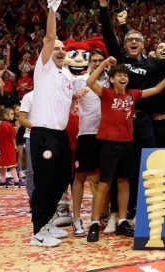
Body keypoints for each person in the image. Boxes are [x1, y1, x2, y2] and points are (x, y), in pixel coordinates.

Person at [84, 56, 165, 243]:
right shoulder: (106, 93)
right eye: (118, 75)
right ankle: (94, 223)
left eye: (125, 75)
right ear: (112, 79)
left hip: (127, 143)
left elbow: (157, 89)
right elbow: (90, 82)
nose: (123, 77)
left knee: (124, 182)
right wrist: (104, 64)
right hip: (109, 144)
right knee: (104, 184)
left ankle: (122, 221)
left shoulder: (132, 94)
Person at [29, 0, 76, 248]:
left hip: (60, 135)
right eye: (56, 47)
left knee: (62, 179)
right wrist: (52, 7)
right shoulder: (44, 68)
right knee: (44, 183)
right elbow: (49, 36)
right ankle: (38, 231)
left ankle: (47, 221)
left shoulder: (66, 75)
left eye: (62, 48)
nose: (60, 50)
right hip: (43, 135)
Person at [70, 50, 107, 238]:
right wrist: (74, 96)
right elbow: (69, 101)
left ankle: (99, 215)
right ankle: (76, 218)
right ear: (89, 62)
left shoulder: (112, 80)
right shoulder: (80, 80)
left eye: (101, 61)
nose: (97, 63)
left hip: (107, 135)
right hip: (86, 134)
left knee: (103, 177)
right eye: (94, 61)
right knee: (80, 177)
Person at [0, 107, 23, 187]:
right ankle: (17, 181)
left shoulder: (0, 124)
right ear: (5, 115)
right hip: (8, 147)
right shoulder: (8, 125)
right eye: (11, 114)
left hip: (1, 148)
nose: (13, 115)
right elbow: (13, 136)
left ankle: (3, 182)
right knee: (12, 165)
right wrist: (17, 127)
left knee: (3, 165)